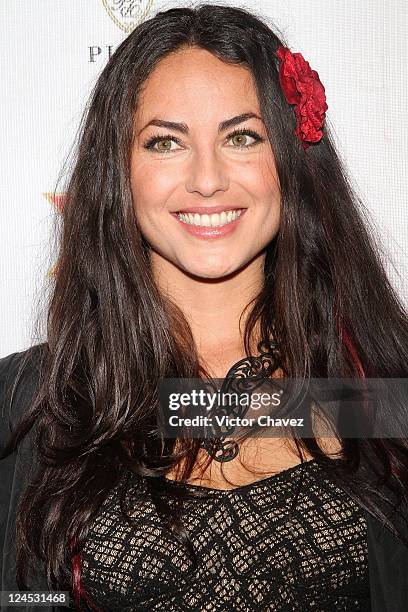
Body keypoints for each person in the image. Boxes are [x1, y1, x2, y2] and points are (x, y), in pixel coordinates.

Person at [1, 3, 408, 611]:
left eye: (241, 136)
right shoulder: (31, 403)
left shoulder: (374, 390)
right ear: (120, 171)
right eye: (165, 143)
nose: (208, 179)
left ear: (291, 164)